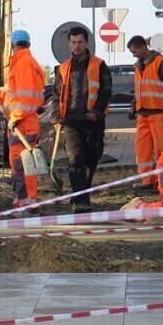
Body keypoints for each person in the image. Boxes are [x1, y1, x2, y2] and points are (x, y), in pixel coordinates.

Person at [50, 26, 112, 213]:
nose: (76, 46)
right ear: (69, 43)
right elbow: (55, 95)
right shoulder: (63, 68)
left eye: (80, 42)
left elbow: (106, 91)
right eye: (73, 42)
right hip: (71, 122)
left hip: (93, 121)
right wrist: (56, 117)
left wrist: (97, 111)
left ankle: (82, 194)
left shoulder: (99, 65)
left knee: (91, 160)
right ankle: (81, 201)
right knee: (76, 160)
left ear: (86, 43)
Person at [0, 29, 46, 213]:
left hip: (23, 124)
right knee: (22, 165)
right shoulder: (31, 63)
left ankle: (27, 203)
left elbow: (24, 97)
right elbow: (16, 93)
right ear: (28, 44)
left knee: (22, 166)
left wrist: (16, 117)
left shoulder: (23, 64)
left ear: (13, 46)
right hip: (26, 122)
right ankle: (24, 201)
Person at [127, 35, 163, 191]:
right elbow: (139, 89)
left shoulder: (161, 62)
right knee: (142, 149)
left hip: (159, 113)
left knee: (162, 149)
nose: (134, 55)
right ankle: (148, 180)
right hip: (143, 114)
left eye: (135, 51)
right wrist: (134, 105)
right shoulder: (138, 65)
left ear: (143, 47)